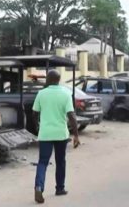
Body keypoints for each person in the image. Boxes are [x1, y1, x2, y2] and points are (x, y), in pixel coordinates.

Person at [32, 69, 80, 204]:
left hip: (45, 133)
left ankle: (39, 187)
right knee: (61, 161)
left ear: (48, 79)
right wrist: (76, 135)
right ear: (58, 80)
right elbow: (71, 116)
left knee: (42, 162)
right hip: (61, 134)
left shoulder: (41, 94)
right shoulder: (66, 94)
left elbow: (34, 114)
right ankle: (60, 188)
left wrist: (38, 127)